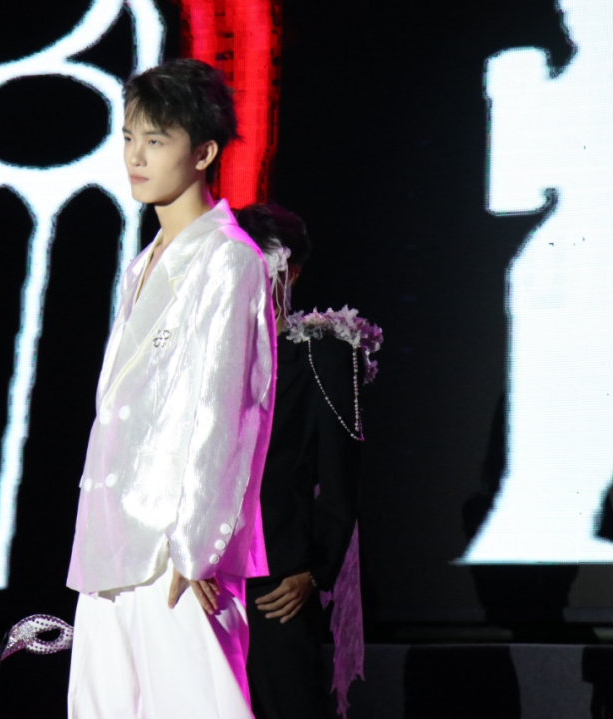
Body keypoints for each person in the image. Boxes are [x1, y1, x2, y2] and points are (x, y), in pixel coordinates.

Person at [66, 59, 276, 718]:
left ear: (203, 152)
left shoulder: (229, 258)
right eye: (129, 137)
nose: (135, 156)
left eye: (155, 140)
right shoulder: (142, 264)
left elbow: (227, 411)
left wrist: (199, 545)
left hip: (174, 550)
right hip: (110, 541)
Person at [236, 204, 370, 719]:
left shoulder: (322, 355)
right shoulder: (204, 353)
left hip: (276, 578)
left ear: (289, 272)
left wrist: (314, 573)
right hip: (204, 576)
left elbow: (339, 474)